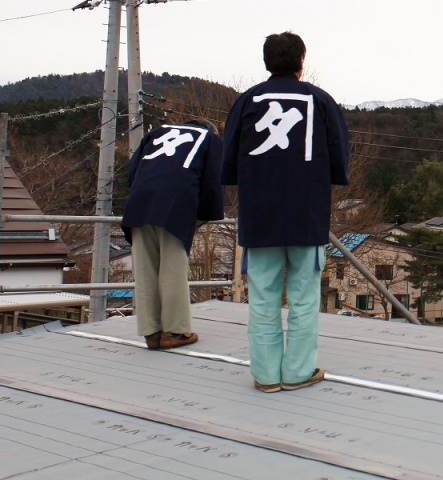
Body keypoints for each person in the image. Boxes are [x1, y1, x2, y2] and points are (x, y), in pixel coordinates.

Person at [222, 32, 349, 392]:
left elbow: (228, 158)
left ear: (266, 62)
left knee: (262, 295)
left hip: (259, 214)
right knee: (305, 297)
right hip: (306, 214)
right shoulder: (319, 100)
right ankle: (297, 371)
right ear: (301, 61)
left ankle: (264, 375)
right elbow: (338, 157)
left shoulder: (248, 100)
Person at [121, 119, 224, 350]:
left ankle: (151, 332)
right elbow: (212, 182)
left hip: (140, 201)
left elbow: (132, 170)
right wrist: (203, 215)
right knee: (172, 267)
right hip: (177, 203)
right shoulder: (210, 139)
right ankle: (175, 331)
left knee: (145, 268)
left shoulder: (157, 133)